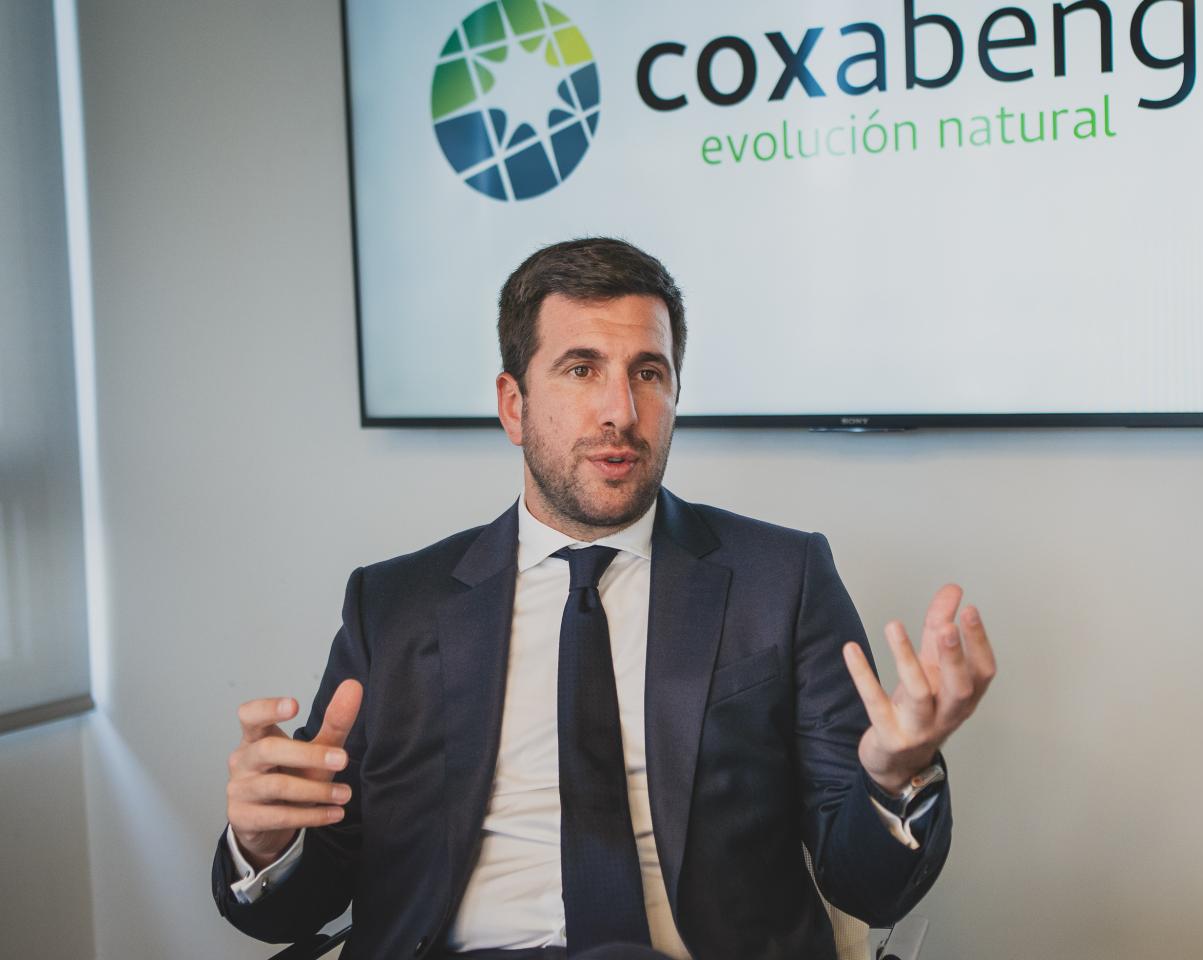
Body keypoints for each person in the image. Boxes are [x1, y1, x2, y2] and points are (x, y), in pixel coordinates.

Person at [212, 238, 997, 960]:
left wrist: (895, 779)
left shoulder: (780, 579)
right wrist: (264, 845)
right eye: (581, 369)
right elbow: (300, 900)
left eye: (648, 373)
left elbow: (867, 887)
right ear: (514, 405)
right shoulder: (393, 605)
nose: (621, 410)